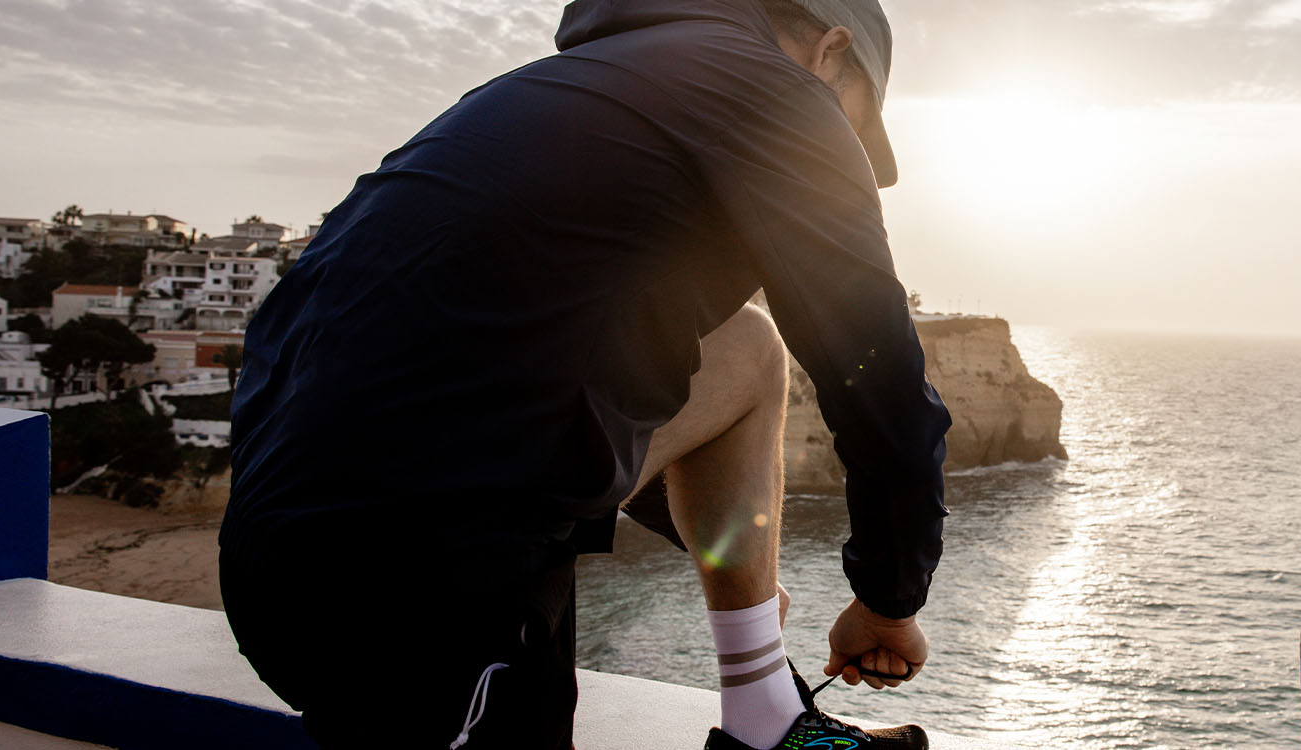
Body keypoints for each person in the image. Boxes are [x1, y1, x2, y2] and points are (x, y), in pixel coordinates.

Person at [219, 0, 948, 746]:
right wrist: (889, 604)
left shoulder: (555, 88)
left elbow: (557, 363)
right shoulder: (779, 91)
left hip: (276, 551)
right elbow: (877, 376)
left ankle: (767, 720)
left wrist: (747, 577)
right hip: (418, 596)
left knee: (748, 352)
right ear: (832, 51)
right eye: (857, 128)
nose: (848, 149)